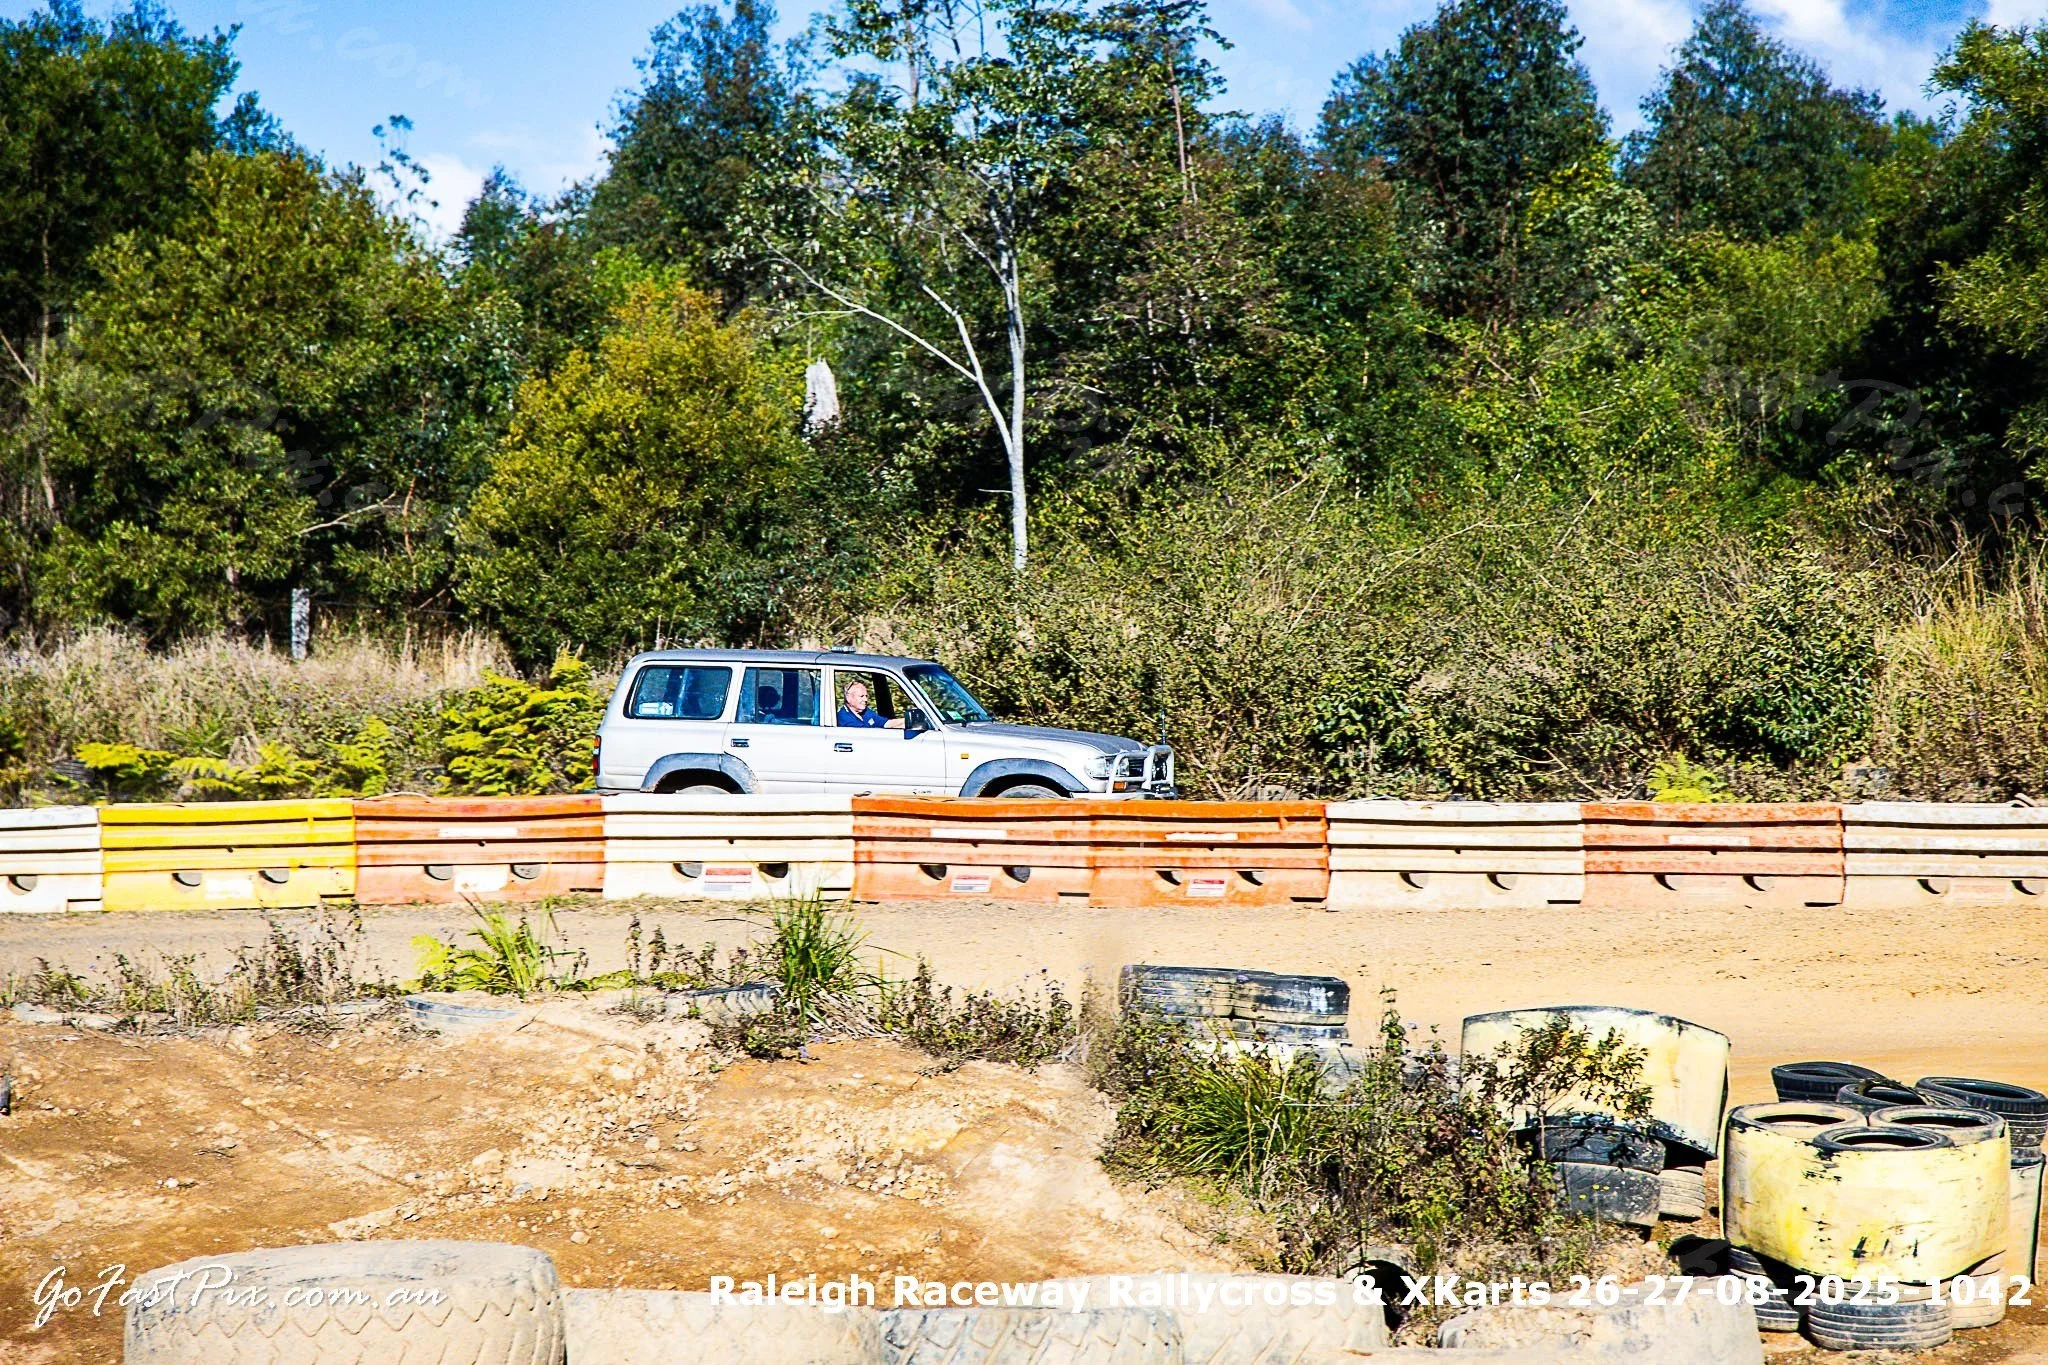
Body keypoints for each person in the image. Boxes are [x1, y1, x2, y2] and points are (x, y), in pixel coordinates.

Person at [837, 679, 904, 730]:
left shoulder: (865, 711)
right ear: (848, 698)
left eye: (866, 696)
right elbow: (867, 734)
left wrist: (906, 721)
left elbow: (886, 723)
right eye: (861, 696)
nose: (865, 700)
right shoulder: (843, 718)